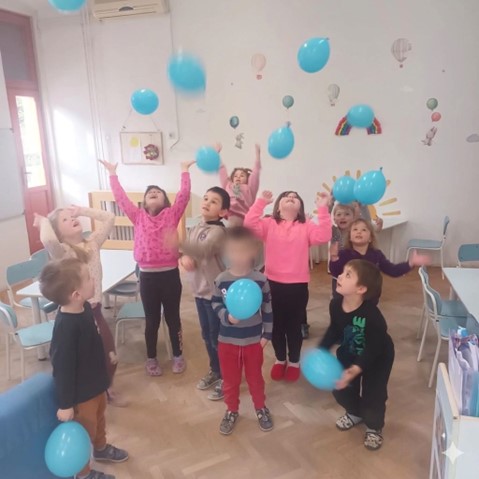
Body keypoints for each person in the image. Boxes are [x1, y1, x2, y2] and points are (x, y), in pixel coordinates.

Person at [100, 159, 194, 376]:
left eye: (158, 192)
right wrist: (113, 174)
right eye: (150, 192)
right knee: (151, 320)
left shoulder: (171, 214)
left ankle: (178, 355)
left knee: (173, 318)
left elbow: (184, 195)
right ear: (143, 202)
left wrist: (184, 170)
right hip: (148, 278)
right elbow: (121, 199)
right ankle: (151, 358)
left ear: (165, 201)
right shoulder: (138, 216)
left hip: (170, 276)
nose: (153, 192)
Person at [39, 258, 129, 479]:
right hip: (81, 395)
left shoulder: (85, 308)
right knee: (83, 432)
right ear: (76, 294)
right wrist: (66, 404)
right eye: (88, 278)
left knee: (99, 421)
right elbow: (62, 369)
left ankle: (101, 448)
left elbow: (92, 341)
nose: (93, 280)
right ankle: (83, 472)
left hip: (96, 384)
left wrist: (106, 356)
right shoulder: (66, 328)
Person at [33, 205, 126, 407]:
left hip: (95, 310)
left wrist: (82, 211)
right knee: (83, 357)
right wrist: (44, 222)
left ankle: (107, 387)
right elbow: (48, 240)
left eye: (71, 216)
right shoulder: (63, 253)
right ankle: (86, 396)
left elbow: (110, 217)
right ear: (58, 232)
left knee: (109, 353)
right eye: (65, 220)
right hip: (75, 314)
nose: (72, 219)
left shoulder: (92, 242)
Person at [244, 190, 332, 382]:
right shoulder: (269, 223)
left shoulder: (307, 225)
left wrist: (323, 208)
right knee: (275, 326)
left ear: (300, 207)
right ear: (278, 206)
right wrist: (260, 202)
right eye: (286, 196)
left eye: (295, 197)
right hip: (272, 284)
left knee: (293, 327)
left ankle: (294, 361)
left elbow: (324, 236)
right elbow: (249, 225)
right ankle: (280, 359)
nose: (291, 197)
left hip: (297, 286)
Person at [318, 259, 394, 451]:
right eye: (342, 272)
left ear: (361, 289)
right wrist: (321, 350)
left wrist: (356, 369)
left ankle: (374, 426)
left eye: (348, 275)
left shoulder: (373, 317)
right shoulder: (335, 305)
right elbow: (334, 330)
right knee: (341, 387)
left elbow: (374, 347)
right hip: (350, 351)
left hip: (377, 357)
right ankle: (355, 412)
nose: (340, 276)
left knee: (373, 394)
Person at [211, 226, 273, 435]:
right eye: (233, 250)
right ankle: (231, 410)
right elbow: (215, 303)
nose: (238, 255)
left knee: (255, 378)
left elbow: (267, 308)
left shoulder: (261, 280)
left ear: (253, 251)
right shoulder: (221, 280)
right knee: (230, 380)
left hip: (253, 341)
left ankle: (260, 407)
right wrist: (226, 316)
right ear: (226, 252)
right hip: (227, 341)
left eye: (243, 250)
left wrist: (267, 334)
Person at [180, 186, 230, 400]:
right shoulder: (196, 227)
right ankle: (215, 370)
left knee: (218, 337)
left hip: (215, 294)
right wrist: (183, 255)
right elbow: (187, 250)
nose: (207, 202)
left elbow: (202, 251)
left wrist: (186, 255)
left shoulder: (218, 232)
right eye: (206, 198)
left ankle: (228, 377)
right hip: (199, 292)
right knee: (207, 335)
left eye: (214, 201)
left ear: (223, 212)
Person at [329, 218, 429, 302]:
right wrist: (334, 258)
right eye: (355, 229)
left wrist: (410, 263)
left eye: (364, 230)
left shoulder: (376, 255)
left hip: (369, 299)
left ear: (370, 238)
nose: (359, 232)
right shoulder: (344, 254)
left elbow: (392, 270)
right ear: (350, 237)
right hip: (347, 298)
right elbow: (336, 273)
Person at [218, 143, 261, 226]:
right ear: (232, 179)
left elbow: (255, 174)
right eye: (236, 176)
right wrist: (217, 155)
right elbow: (222, 171)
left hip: (244, 218)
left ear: (247, 179)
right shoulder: (228, 185)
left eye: (242, 175)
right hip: (230, 216)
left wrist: (258, 156)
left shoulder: (250, 188)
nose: (238, 177)